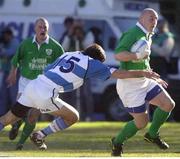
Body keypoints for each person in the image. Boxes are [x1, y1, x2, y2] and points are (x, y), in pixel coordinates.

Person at [0, 43, 160, 150]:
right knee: (73, 117)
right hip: (46, 93)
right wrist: (143, 73)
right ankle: (40, 135)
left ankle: (35, 133)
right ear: (96, 59)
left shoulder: (69, 54)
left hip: (33, 86)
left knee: (5, 119)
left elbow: (48, 69)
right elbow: (119, 73)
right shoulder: (91, 63)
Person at [111, 8, 175, 157]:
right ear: (141, 19)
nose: (154, 22)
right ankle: (117, 142)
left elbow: (143, 59)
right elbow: (118, 55)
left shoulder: (148, 34)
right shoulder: (133, 33)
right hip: (129, 85)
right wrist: (135, 55)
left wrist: (152, 75)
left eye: (156, 19)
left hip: (144, 79)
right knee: (141, 123)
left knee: (168, 104)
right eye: (151, 18)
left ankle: (152, 135)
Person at [6, 17, 64, 150]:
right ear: (35, 29)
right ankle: (16, 123)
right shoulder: (25, 44)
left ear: (48, 29)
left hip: (43, 86)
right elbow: (16, 60)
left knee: (33, 116)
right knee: (18, 112)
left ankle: (20, 144)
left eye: (45, 27)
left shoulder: (55, 47)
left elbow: (63, 65)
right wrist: (12, 73)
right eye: (40, 27)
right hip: (26, 82)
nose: (43, 29)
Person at [0, 27, 20, 116]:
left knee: (13, 96)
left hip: (14, 73)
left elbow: (10, 53)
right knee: (3, 96)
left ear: (9, 35)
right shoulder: (4, 43)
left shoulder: (15, 42)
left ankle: (15, 116)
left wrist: (2, 51)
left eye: (5, 35)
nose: (4, 36)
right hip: (5, 72)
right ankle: (2, 117)